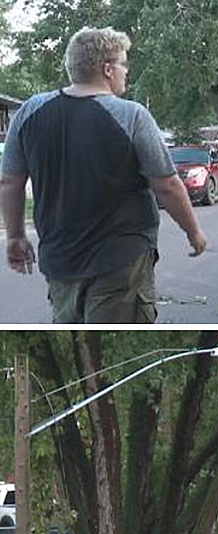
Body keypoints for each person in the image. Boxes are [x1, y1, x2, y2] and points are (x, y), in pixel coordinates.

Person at [0, 26, 207, 323]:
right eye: (124, 64)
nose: (126, 72)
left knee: (75, 332)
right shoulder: (131, 115)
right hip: (121, 260)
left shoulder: (30, 112)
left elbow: (10, 182)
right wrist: (194, 232)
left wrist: (16, 237)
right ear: (107, 69)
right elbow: (167, 185)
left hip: (60, 260)